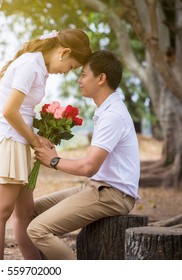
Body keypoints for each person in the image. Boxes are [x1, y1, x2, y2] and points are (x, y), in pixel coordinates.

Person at [0, 29, 92, 260]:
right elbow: (10, 111)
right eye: (70, 66)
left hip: (20, 143)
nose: (66, 72)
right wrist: (35, 140)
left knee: (26, 213)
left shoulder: (38, 67)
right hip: (8, 140)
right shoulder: (30, 65)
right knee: (1, 212)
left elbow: (24, 111)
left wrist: (37, 136)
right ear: (64, 52)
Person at [29, 50, 140, 260]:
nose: (79, 80)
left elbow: (88, 167)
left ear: (101, 78)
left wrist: (54, 160)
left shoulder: (113, 115)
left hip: (113, 195)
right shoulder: (106, 110)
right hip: (96, 187)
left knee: (37, 229)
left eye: (83, 74)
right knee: (30, 211)